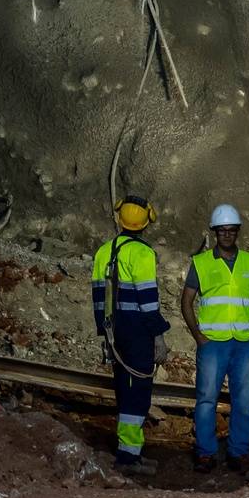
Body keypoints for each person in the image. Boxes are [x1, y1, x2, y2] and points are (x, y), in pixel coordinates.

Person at [181, 204, 249, 472]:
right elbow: (186, 302)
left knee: (244, 400)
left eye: (231, 230)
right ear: (215, 232)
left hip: (244, 343)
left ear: (237, 231)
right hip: (213, 343)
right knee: (206, 399)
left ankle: (239, 452)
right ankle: (206, 452)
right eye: (222, 231)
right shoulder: (201, 263)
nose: (227, 235)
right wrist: (198, 336)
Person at [92, 195, 170, 471]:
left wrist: (106, 335)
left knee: (124, 389)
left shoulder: (103, 251)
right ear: (146, 222)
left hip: (115, 332)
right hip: (138, 332)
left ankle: (131, 451)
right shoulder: (142, 254)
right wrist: (158, 336)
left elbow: (99, 299)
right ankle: (128, 457)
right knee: (137, 392)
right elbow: (147, 301)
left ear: (120, 218)